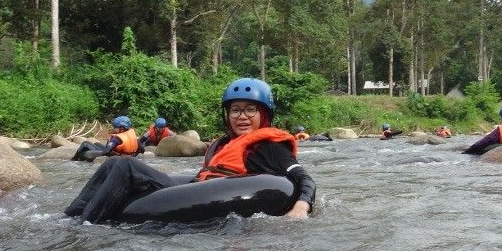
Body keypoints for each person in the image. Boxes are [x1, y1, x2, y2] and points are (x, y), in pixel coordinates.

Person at [64, 78, 315, 223]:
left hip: (220, 196)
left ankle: (86, 226)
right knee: (111, 164)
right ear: (227, 115)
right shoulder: (222, 144)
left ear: (264, 115)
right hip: (200, 188)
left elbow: (304, 179)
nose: (242, 116)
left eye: (251, 110)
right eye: (236, 110)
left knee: (124, 164)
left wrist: (301, 207)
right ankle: (71, 217)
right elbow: (203, 179)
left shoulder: (269, 147)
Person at [71, 115, 140, 161]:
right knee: (97, 143)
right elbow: (141, 147)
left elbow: (106, 151)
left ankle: (73, 160)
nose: (113, 128)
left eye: (115, 127)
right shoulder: (131, 133)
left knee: (85, 144)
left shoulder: (117, 138)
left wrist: (91, 154)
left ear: (122, 128)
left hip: (116, 156)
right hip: (127, 156)